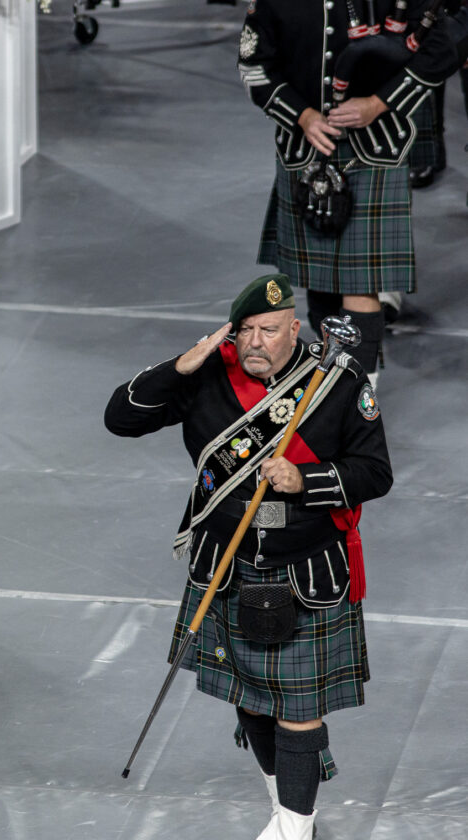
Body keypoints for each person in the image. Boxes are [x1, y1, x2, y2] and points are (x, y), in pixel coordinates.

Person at [105, 275, 392, 840]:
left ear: (294, 329)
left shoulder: (338, 380)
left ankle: (294, 826)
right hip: (225, 560)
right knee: (252, 699)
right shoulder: (207, 373)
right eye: (246, 330)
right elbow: (121, 419)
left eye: (269, 330)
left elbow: (375, 473)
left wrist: (305, 479)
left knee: (298, 706)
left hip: (305, 564)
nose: (256, 342)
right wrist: (178, 367)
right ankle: (285, 808)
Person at [237, 0, 458, 383]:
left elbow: (440, 50)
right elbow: (254, 65)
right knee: (320, 286)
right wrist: (302, 116)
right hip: (306, 152)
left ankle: (358, 397)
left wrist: (379, 103)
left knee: (361, 283)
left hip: (376, 146)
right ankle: (333, 390)